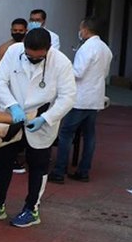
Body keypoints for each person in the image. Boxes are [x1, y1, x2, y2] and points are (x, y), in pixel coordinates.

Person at [0, 27, 76, 227]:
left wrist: (46, 118)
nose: (33, 60)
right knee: (4, 161)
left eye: (38, 58)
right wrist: (11, 105)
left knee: (38, 166)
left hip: (41, 119)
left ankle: (32, 209)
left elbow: (68, 97)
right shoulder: (14, 51)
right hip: (12, 115)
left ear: (48, 50)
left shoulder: (61, 63)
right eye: (29, 56)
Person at [48, 19, 113, 183]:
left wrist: (64, 67)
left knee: (66, 134)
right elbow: (105, 73)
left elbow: (78, 72)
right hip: (95, 98)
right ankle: (84, 170)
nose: (80, 31)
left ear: (85, 30)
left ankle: (59, 171)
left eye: (80, 28)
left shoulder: (86, 48)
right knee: (89, 135)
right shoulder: (105, 49)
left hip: (80, 98)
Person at [0, 18, 29, 174]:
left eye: (20, 30)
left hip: (24, 90)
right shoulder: (4, 48)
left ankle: (17, 155)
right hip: (7, 88)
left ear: (26, 30)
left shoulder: (29, 47)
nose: (17, 33)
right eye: (15, 30)